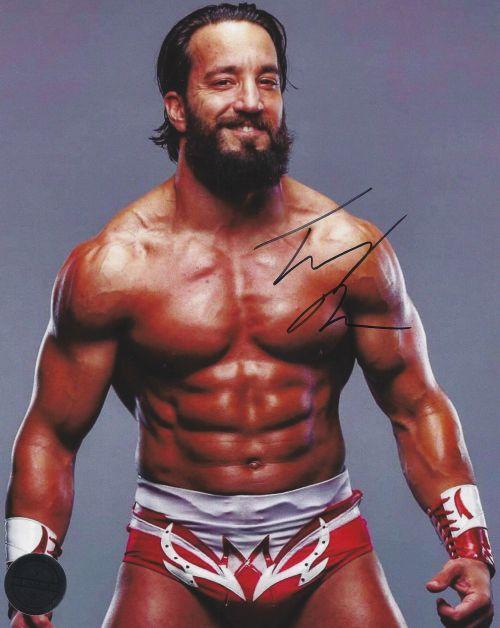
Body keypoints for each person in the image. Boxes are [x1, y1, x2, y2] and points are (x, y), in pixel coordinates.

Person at [5, 4, 494, 627]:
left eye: (268, 81)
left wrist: (471, 547)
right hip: (175, 549)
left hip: (324, 543)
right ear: (177, 107)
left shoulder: (348, 249)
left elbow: (416, 403)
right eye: (224, 80)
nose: (251, 101)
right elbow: (51, 433)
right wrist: (29, 577)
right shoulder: (115, 266)